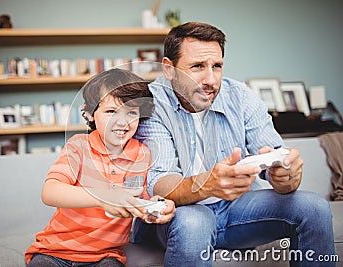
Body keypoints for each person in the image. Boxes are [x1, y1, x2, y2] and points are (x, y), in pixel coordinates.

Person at [133, 22, 335, 266]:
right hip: (181, 213)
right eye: (197, 66)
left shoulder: (240, 95)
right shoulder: (151, 104)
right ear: (169, 69)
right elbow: (161, 185)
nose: (210, 79)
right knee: (194, 223)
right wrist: (208, 185)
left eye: (216, 66)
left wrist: (286, 176)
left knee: (314, 208)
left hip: (238, 210)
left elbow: (278, 161)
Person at [25, 68, 175, 267]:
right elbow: (50, 192)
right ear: (90, 114)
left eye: (131, 112)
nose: (122, 122)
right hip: (54, 251)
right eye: (111, 111)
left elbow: (139, 200)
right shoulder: (78, 146)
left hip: (106, 256)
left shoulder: (142, 154)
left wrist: (157, 205)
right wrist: (104, 197)